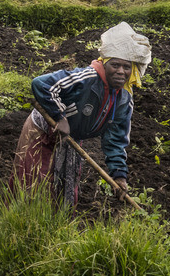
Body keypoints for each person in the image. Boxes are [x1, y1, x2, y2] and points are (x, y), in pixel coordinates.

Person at [14, 22, 154, 208]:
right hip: (44, 130)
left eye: (127, 67)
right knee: (34, 181)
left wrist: (119, 175)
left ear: (133, 70)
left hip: (72, 138)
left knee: (66, 189)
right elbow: (42, 84)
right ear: (105, 64)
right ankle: (24, 225)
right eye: (115, 65)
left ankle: (57, 228)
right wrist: (60, 117)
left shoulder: (123, 100)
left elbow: (116, 139)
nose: (121, 71)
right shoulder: (86, 78)